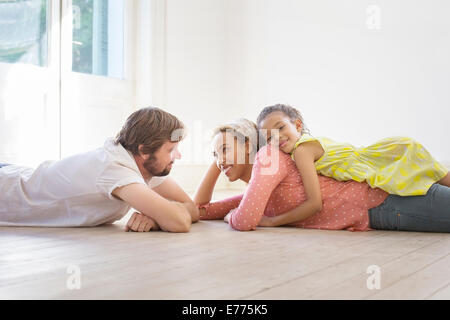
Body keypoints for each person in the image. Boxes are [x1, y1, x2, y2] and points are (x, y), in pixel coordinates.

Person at [194, 118, 450, 233]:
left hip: (385, 202)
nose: (220, 160)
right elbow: (202, 210)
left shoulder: (268, 158)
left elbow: (245, 220)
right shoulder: (258, 192)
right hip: (379, 211)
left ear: (249, 145)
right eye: (215, 154)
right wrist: (218, 163)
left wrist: (233, 217)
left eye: (225, 149)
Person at [0, 107, 199, 232]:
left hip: (16, 174)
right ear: (144, 151)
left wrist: (156, 219)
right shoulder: (116, 170)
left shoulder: (144, 164)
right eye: (171, 150)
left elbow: (192, 210)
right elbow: (179, 221)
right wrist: (163, 217)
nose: (178, 156)